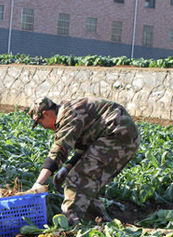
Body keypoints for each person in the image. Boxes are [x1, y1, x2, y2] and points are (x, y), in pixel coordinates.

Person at [28, 96, 140, 225]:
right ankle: (99, 222)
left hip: (117, 134)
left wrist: (38, 183)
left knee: (78, 179)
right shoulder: (70, 111)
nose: (44, 127)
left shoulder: (68, 115)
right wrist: (66, 168)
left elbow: (59, 151)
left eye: (40, 123)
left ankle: (70, 225)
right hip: (119, 135)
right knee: (87, 182)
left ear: (45, 114)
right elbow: (84, 149)